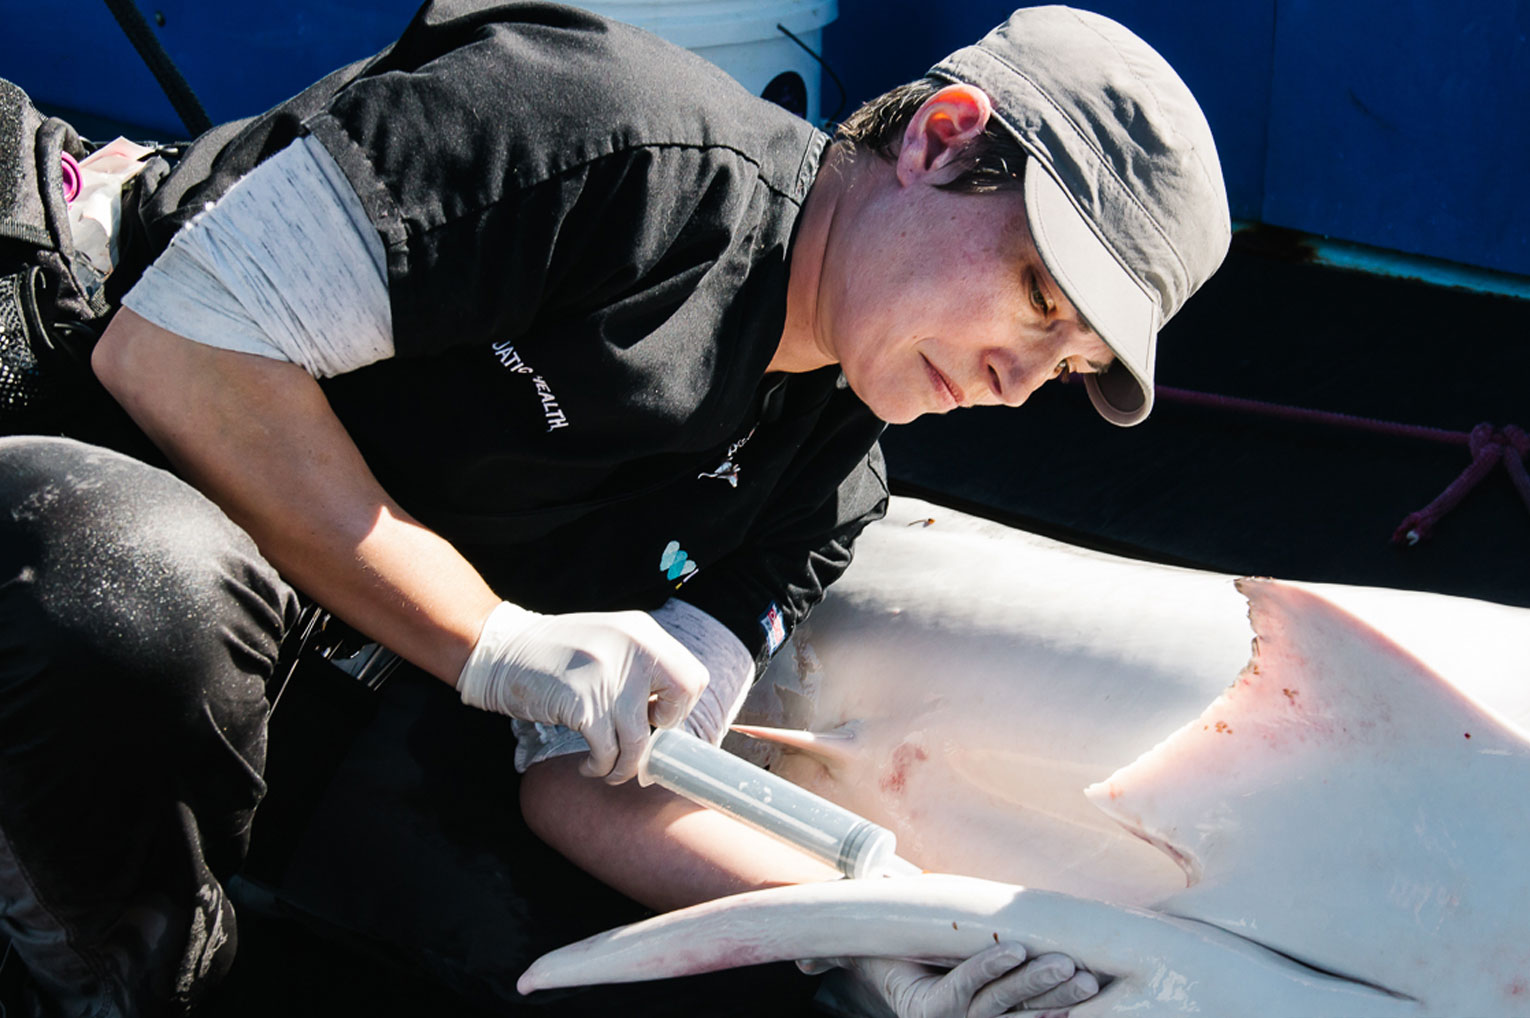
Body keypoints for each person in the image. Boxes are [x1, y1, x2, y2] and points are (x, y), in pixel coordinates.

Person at [0, 2, 1228, 1015]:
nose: (1019, 382)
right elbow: (171, 352)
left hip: (286, 664)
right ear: (945, 140)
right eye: (1036, 296)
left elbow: (593, 777)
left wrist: (875, 937)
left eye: (1063, 369)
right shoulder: (607, 139)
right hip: (60, 396)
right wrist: (491, 637)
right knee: (132, 589)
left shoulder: (828, 490)